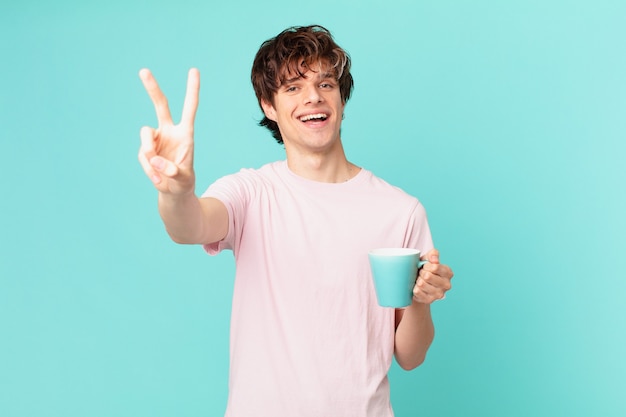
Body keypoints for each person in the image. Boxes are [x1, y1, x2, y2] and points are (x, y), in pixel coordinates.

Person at [138, 25, 454, 417]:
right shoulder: (251, 193)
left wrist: (421, 301)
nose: (313, 98)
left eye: (326, 84)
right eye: (292, 88)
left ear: (341, 97)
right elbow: (188, 226)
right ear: (268, 106)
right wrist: (175, 191)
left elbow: (411, 355)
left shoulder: (399, 210)